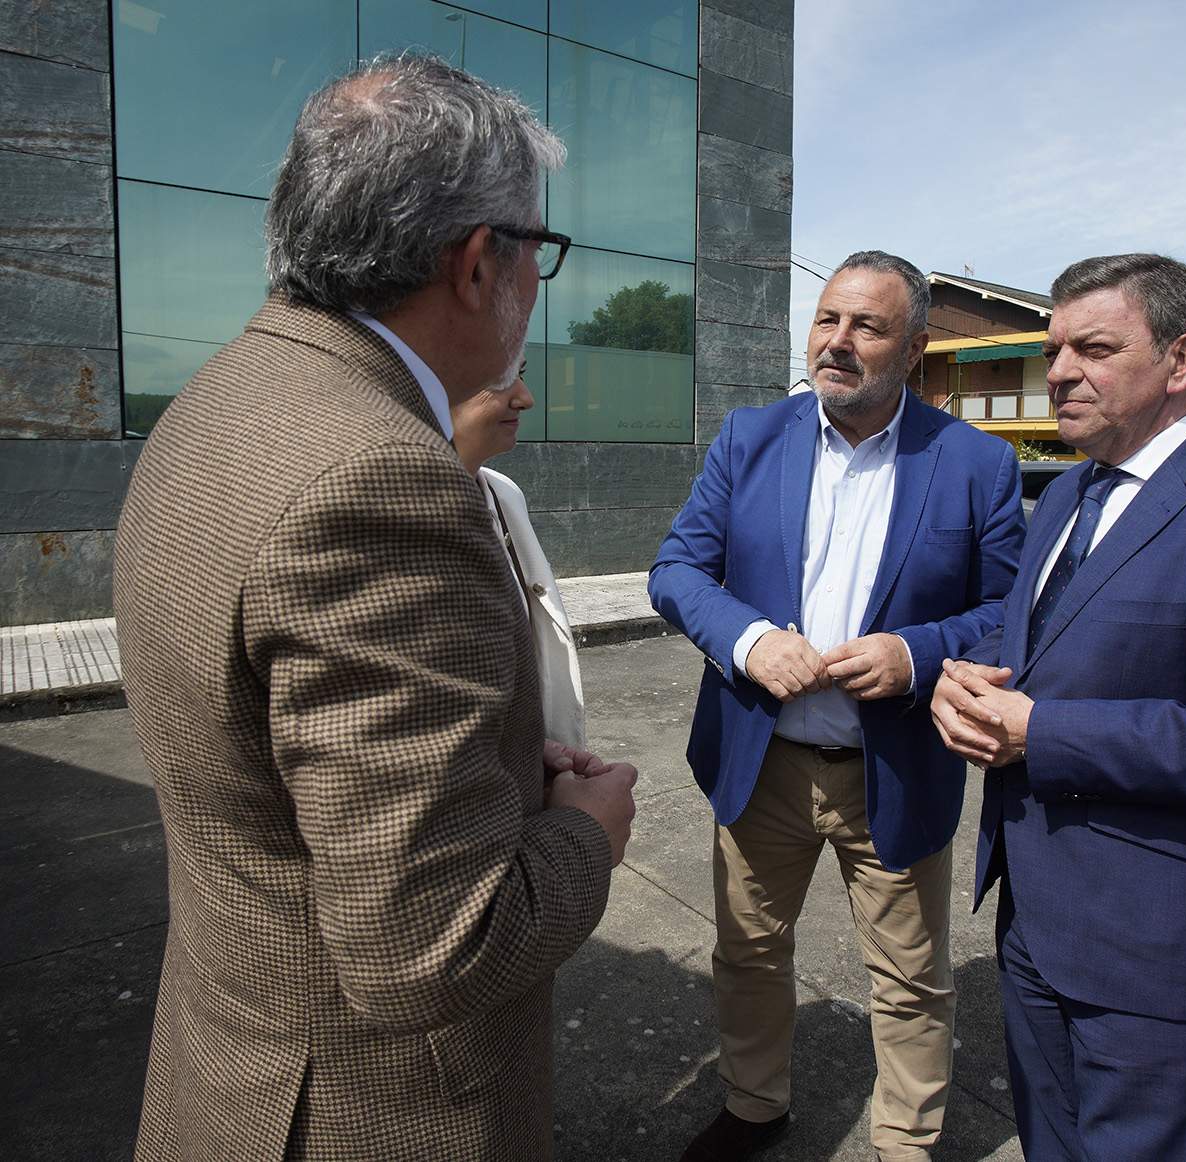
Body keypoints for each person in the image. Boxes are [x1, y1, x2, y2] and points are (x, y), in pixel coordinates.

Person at [114, 56, 637, 1162]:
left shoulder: (219, 397)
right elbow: (433, 949)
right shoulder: (381, 477)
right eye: (538, 252)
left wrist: (491, 768)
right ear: (479, 263)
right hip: (365, 1111)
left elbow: (279, 744)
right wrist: (584, 836)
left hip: (237, 1062)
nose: (537, 286)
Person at [931, 253, 1186, 1161]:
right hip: (1033, 922)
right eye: (1053, 350)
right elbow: (1036, 647)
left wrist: (1040, 731)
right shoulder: (1061, 498)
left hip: (1161, 950)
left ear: (1180, 359)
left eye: (1093, 347)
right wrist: (964, 679)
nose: (1057, 372)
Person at [650, 251, 1026, 1161]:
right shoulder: (750, 438)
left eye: (868, 326)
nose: (839, 342)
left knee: (908, 979)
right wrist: (749, 642)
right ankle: (753, 1105)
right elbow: (677, 572)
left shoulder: (975, 463)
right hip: (762, 759)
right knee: (747, 953)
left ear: (916, 346)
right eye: (827, 320)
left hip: (891, 768)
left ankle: (907, 1141)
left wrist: (915, 653)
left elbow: (1009, 616)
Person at [450, 369, 589, 753]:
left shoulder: (503, 492)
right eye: (498, 378)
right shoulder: (379, 515)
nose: (525, 397)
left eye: (522, 374)